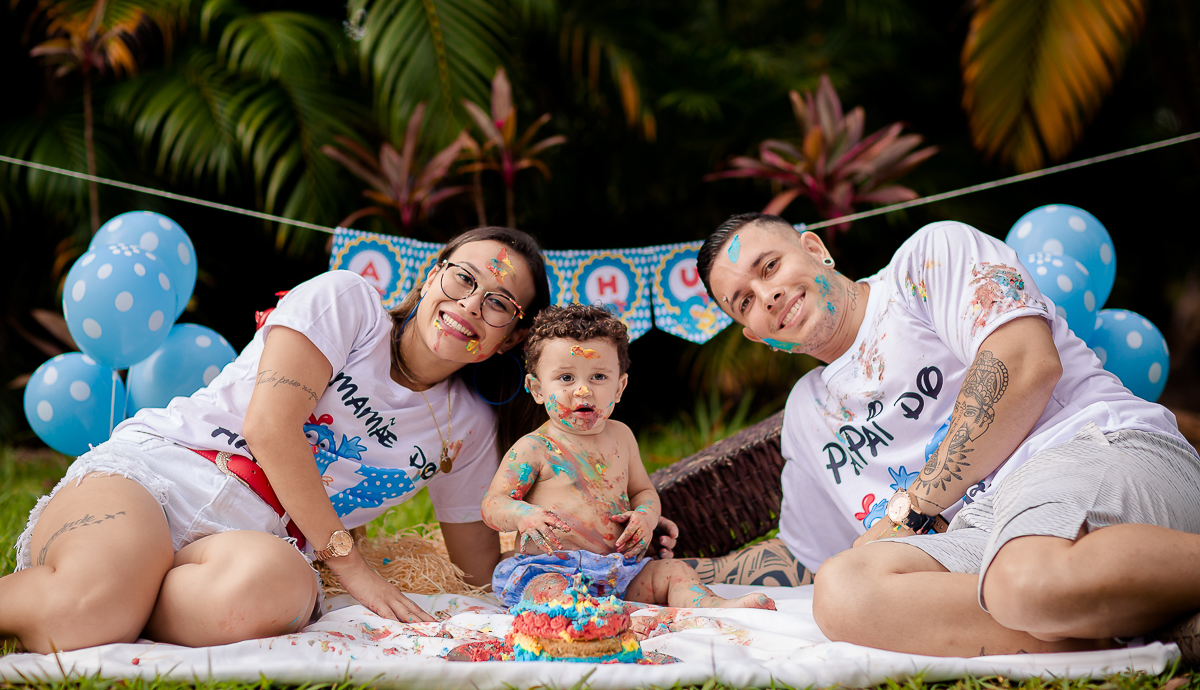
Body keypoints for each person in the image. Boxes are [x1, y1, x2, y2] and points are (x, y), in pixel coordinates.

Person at [2, 227, 565, 654]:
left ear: (511, 337)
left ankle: (127, 595)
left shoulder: (468, 426)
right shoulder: (349, 303)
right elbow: (269, 428)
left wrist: (562, 568)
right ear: (431, 275)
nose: (470, 304)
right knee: (85, 612)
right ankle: (110, 594)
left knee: (279, 592)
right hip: (166, 474)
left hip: (251, 546)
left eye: (498, 303)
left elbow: (475, 571)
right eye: (463, 278)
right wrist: (354, 570)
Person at [692, 212, 1200, 661]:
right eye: (745, 302)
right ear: (757, 336)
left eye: (769, 267)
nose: (768, 295)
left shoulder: (927, 260)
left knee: (1022, 577)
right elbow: (806, 555)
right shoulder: (808, 413)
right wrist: (691, 575)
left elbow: (1025, 362)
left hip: (1087, 447)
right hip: (983, 536)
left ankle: (1082, 609)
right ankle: (1137, 627)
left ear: (815, 249)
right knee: (845, 590)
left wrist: (914, 509)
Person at [481, 303, 775, 611]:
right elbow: (492, 504)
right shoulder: (534, 448)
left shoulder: (622, 437)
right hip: (552, 570)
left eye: (598, 377)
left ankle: (712, 606)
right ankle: (598, 619)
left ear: (619, 387)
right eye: (566, 378)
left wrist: (646, 517)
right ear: (537, 389)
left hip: (618, 573)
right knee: (548, 592)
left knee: (675, 572)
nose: (583, 391)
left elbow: (642, 491)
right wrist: (522, 515)